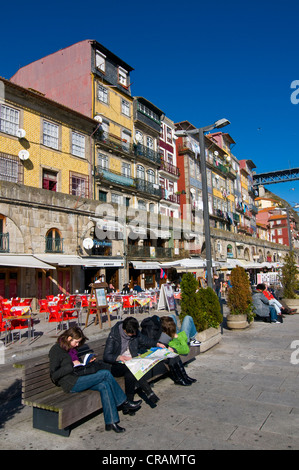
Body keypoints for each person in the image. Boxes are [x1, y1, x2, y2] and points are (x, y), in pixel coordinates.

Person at [49, 326, 142, 433]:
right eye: (76, 342)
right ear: (69, 338)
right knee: (105, 374)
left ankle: (111, 422)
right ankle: (124, 402)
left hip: (78, 377)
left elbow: (76, 365)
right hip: (70, 383)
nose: (77, 345)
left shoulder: (70, 348)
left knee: (104, 385)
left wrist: (84, 362)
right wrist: (70, 365)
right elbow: (54, 375)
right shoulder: (56, 350)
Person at [103, 317, 165, 408]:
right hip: (115, 365)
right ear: (124, 330)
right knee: (132, 368)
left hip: (130, 364)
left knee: (130, 374)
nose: (134, 334)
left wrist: (157, 344)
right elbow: (106, 356)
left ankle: (129, 403)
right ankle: (149, 392)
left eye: (135, 332)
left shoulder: (134, 331)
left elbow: (145, 340)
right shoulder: (114, 336)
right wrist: (119, 357)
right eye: (131, 333)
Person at [158, 316, 197, 386]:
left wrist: (177, 336)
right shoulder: (169, 341)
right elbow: (186, 350)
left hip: (180, 337)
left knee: (173, 316)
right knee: (188, 318)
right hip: (181, 341)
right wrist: (177, 337)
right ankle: (182, 377)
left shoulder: (172, 335)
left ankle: (184, 376)